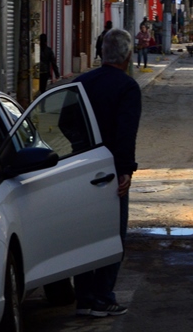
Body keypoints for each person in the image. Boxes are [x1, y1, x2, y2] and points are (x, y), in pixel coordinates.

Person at [72, 29, 141, 318]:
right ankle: (103, 296)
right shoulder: (127, 87)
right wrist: (124, 170)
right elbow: (126, 132)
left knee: (84, 234)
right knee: (112, 234)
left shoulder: (80, 83)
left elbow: (65, 122)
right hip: (110, 173)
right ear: (127, 55)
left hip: (80, 169)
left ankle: (85, 297)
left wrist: (83, 150)